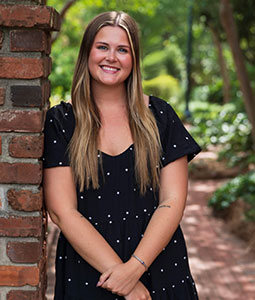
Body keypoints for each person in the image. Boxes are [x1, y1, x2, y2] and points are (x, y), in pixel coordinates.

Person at [43, 11, 201, 300]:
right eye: (102, 47)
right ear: (87, 53)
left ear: (134, 59)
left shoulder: (161, 117)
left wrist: (134, 269)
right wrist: (123, 276)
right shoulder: (62, 122)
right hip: (89, 268)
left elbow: (173, 201)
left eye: (122, 50)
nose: (111, 57)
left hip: (159, 264)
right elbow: (61, 211)